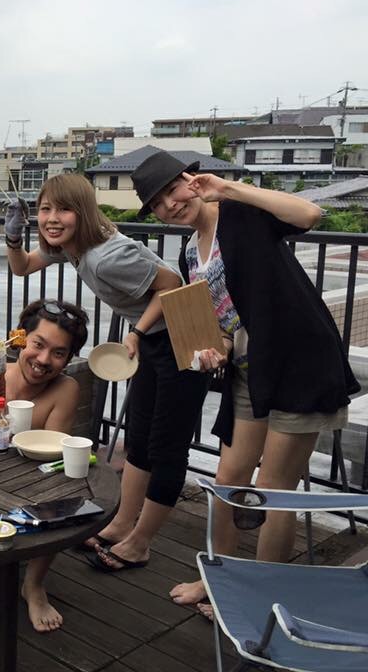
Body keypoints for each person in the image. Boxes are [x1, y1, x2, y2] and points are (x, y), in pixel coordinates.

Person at [134, 150, 360, 612]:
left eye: (172, 191)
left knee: (273, 490)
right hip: (250, 372)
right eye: (156, 204)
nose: (169, 206)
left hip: (299, 365)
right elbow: (224, 322)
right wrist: (214, 349)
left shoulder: (239, 213)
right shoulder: (188, 252)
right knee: (229, 478)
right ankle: (221, 579)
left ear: (192, 180)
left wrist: (228, 188)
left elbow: (309, 215)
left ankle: (260, 597)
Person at [5, 174, 208, 572]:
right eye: (45, 209)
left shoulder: (106, 257)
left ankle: (140, 544)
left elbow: (173, 285)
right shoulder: (75, 247)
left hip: (185, 337)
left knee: (167, 448)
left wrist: (136, 332)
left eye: (63, 209)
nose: (52, 218)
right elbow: (23, 266)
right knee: (139, 440)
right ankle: (120, 525)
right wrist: (13, 237)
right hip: (155, 340)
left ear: (82, 212)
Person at [9, 299, 87, 632]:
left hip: (29, 482)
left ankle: (34, 584)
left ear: (68, 359)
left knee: (64, 489)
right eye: (38, 345)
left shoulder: (65, 388)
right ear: (20, 338)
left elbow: (52, 452)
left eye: (58, 353)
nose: (43, 360)